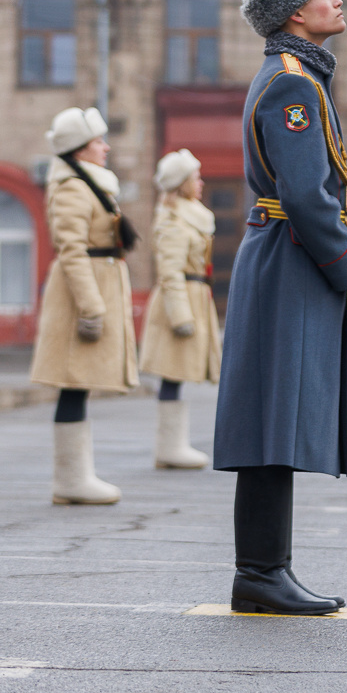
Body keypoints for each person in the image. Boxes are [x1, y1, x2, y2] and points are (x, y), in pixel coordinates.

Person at [215, 0, 347, 614]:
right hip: (289, 260)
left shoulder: (299, 77)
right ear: (297, 11)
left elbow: (311, 181)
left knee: (280, 418)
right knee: (273, 420)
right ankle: (260, 573)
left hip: (288, 257)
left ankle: (267, 570)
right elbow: (299, 194)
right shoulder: (294, 83)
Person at [32, 106, 139, 505]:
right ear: (79, 149)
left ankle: (76, 477)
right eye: (98, 141)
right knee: (74, 383)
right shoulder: (73, 188)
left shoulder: (88, 183)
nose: (106, 147)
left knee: (78, 385)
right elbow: (72, 252)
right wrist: (91, 308)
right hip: (82, 296)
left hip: (96, 287)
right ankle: (71, 480)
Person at [141, 148, 222, 469]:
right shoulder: (173, 219)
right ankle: (170, 447)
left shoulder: (190, 213)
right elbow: (169, 272)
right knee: (173, 374)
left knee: (178, 375)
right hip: (181, 300)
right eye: (194, 177)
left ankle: (173, 446)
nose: (200, 182)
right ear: (180, 183)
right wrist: (181, 316)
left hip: (194, 296)